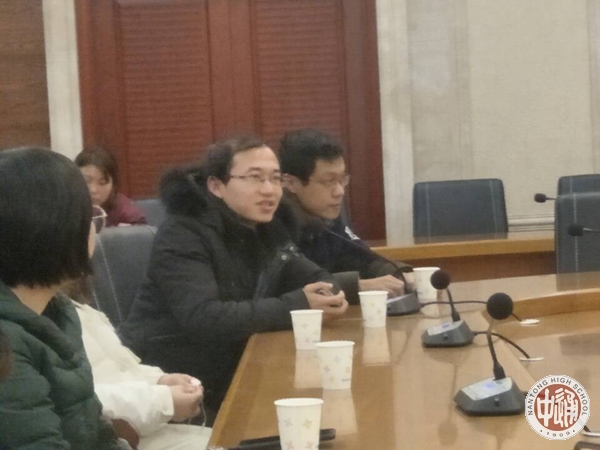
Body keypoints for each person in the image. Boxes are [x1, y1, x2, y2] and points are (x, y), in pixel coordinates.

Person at [120, 135, 348, 416]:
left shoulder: (268, 229)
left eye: (275, 179)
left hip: (237, 368)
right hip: (176, 384)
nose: (269, 190)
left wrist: (328, 294)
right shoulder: (183, 233)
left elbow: (315, 277)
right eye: (255, 178)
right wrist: (299, 304)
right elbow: (204, 318)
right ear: (217, 186)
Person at [0, 147, 128, 449]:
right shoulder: (8, 342)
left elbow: (97, 434)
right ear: (55, 230)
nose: (93, 227)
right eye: (87, 215)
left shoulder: (58, 312)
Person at [279, 129, 412, 305]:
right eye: (328, 181)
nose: (339, 191)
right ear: (291, 183)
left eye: (342, 179)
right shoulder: (273, 223)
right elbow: (288, 284)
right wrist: (356, 286)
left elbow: (362, 259)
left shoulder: (327, 217)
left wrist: (400, 274)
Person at [75, 302, 210, 450]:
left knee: (222, 438)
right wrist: (164, 401)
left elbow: (121, 369)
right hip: (114, 438)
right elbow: (86, 401)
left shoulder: (74, 308)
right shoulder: (58, 319)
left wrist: (160, 381)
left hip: (142, 431)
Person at [75, 147, 147, 227]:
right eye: (86, 181)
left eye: (102, 183)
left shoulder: (128, 215)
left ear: (113, 184)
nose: (93, 190)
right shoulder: (67, 207)